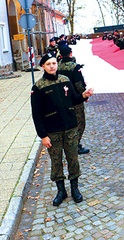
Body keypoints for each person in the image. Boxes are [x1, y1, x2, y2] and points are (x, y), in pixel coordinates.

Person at [31, 53, 94, 206]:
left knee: (73, 159)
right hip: (53, 132)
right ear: (43, 67)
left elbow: (74, 99)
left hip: (71, 128)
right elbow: (36, 114)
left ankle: (75, 189)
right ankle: (61, 191)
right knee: (56, 161)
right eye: (48, 64)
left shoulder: (65, 80)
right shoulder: (38, 87)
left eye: (54, 63)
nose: (52, 66)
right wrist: (43, 136)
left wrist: (84, 95)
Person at [57, 45, 90, 155]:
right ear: (71, 53)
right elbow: (79, 84)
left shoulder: (57, 66)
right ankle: (75, 145)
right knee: (79, 123)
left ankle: (67, 143)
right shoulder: (75, 67)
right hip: (74, 98)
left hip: (61, 98)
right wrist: (84, 96)